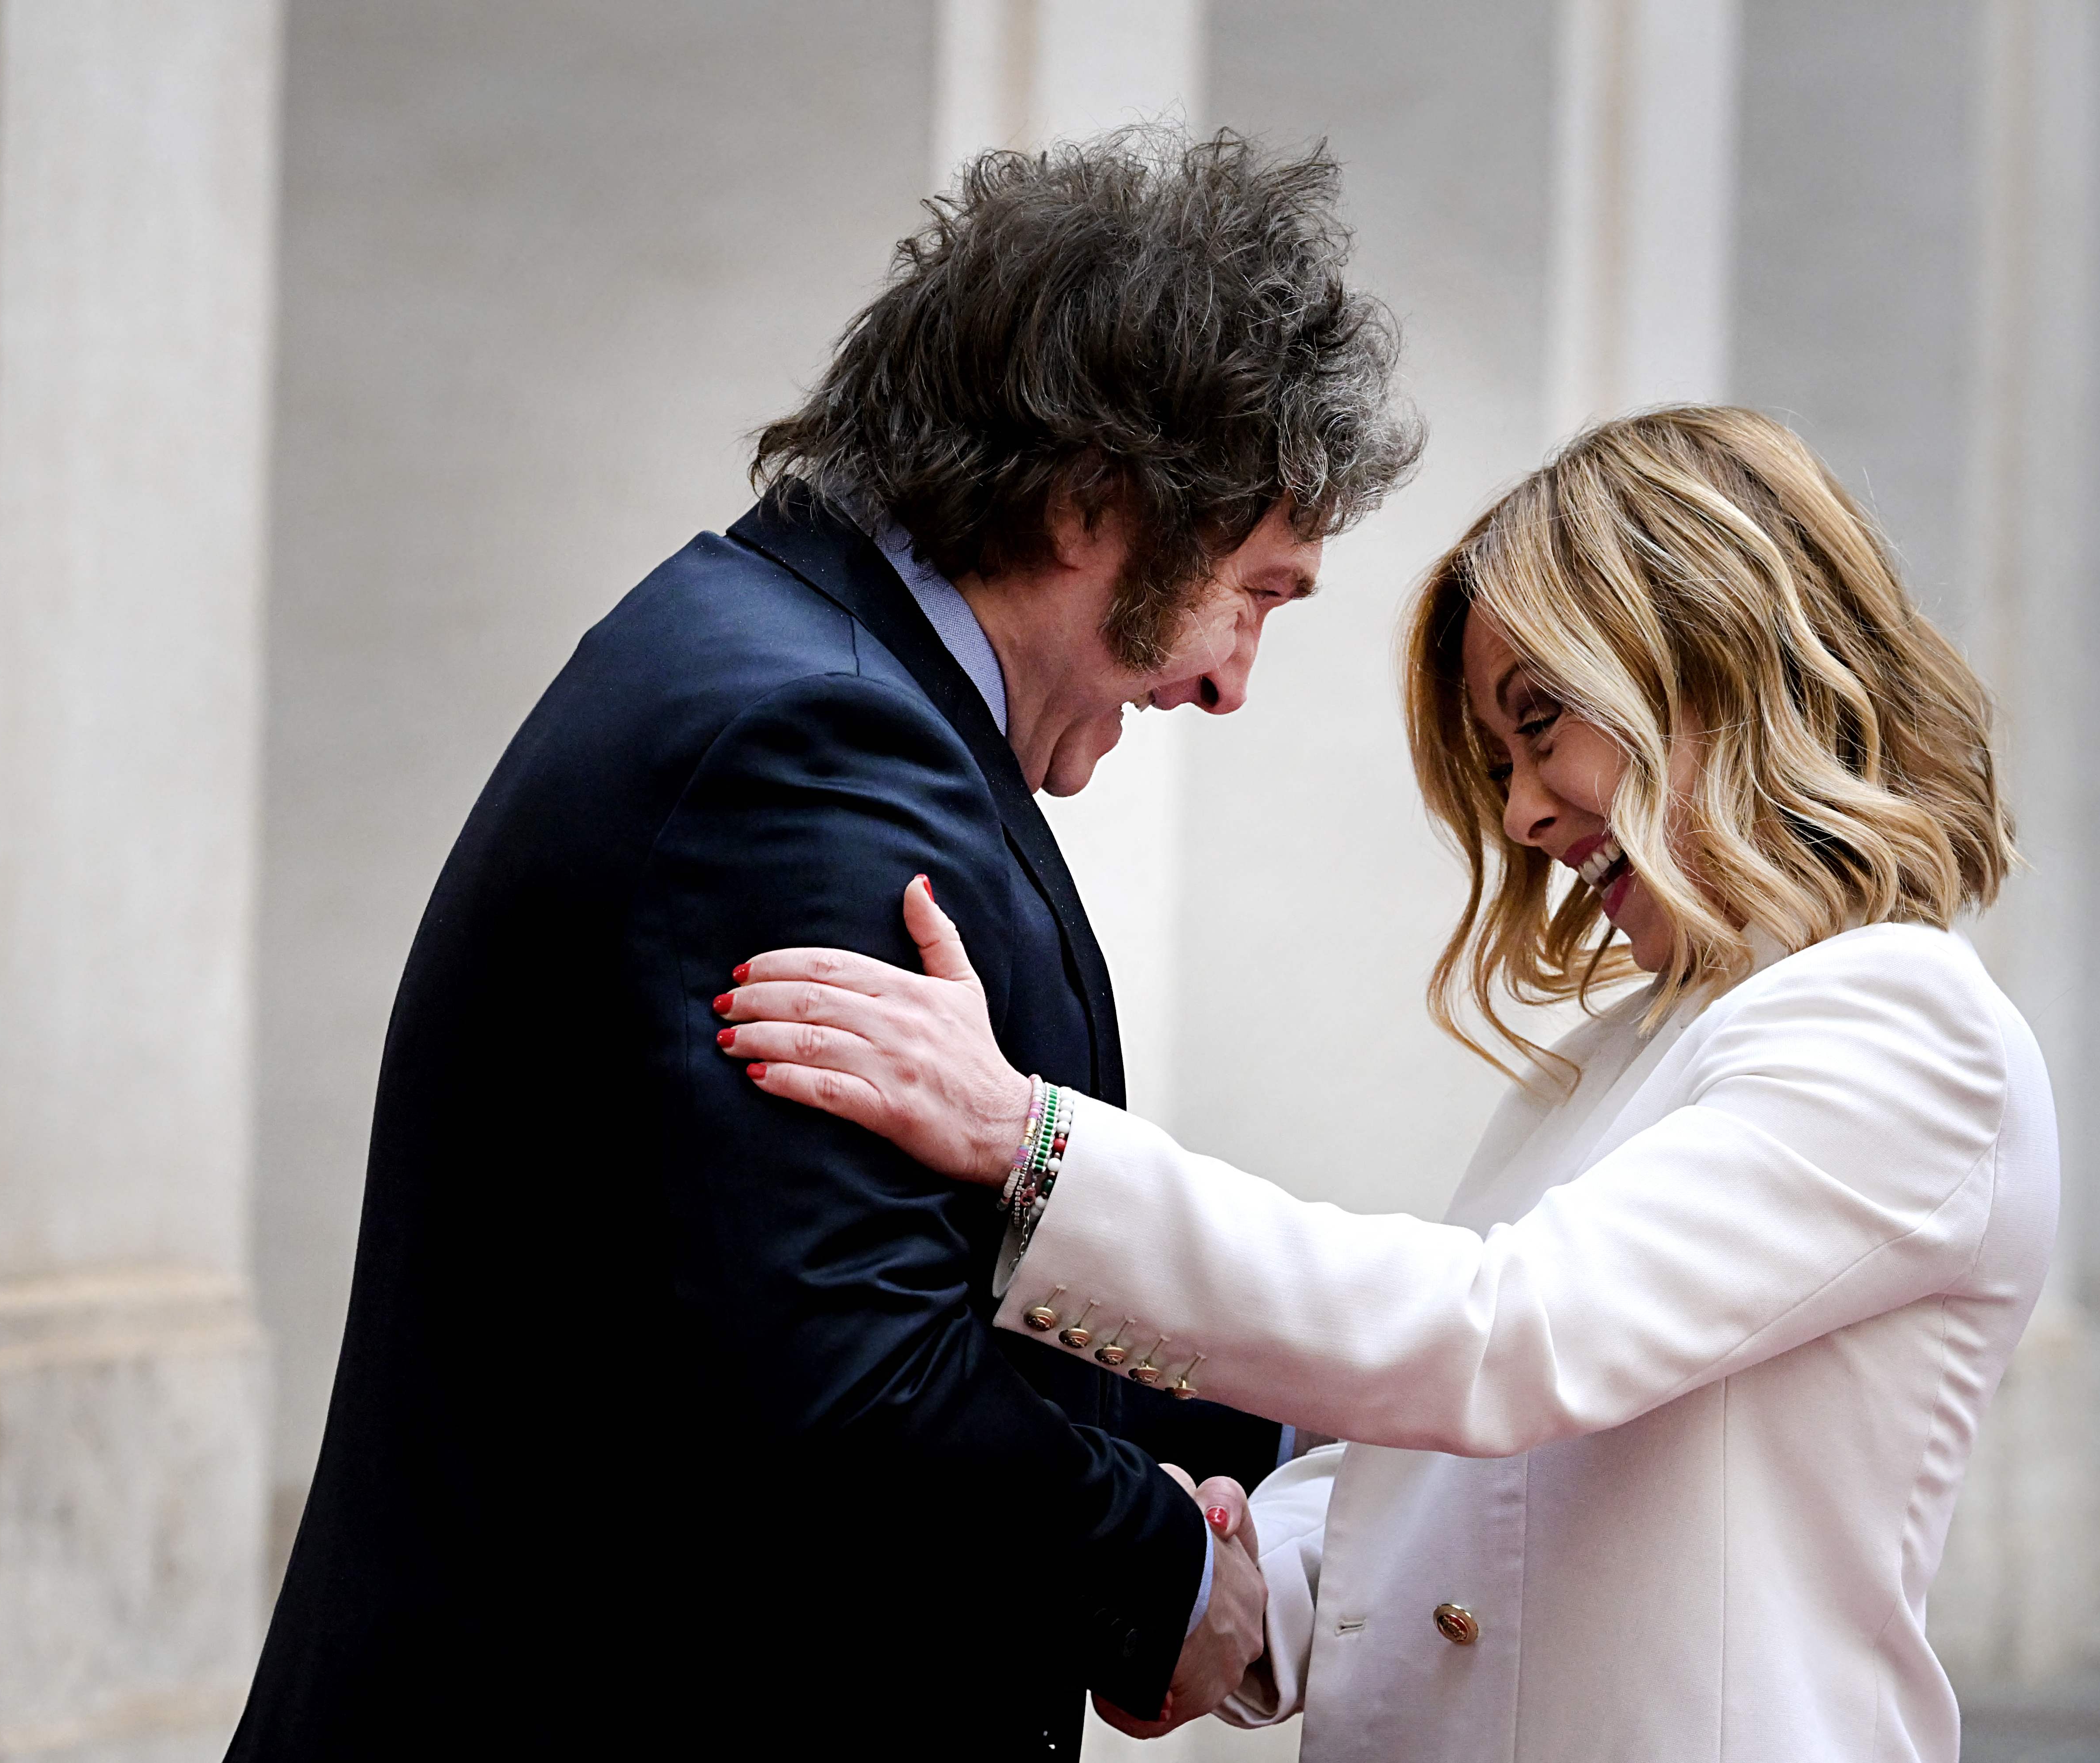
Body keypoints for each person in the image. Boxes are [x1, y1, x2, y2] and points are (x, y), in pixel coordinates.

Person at [224, 130, 1420, 1762]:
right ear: (1096, 501)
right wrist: (1169, 1581)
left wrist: (1327, 1444)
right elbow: (848, 1373)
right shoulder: (811, 748)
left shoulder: (787, 668)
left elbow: (911, 1282)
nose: (1229, 680)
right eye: (1255, 592)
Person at [717, 405, 2058, 1762]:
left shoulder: (1903, 1025)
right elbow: (1467, 1474)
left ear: (1713, 660)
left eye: (1542, 727)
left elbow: (1501, 1342)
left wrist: (1032, 1144)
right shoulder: (1641, 1044)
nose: (1527, 813)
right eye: (1501, 761)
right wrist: (1224, 1587)